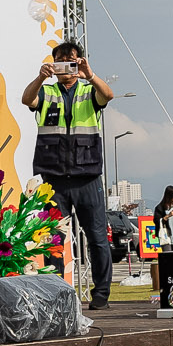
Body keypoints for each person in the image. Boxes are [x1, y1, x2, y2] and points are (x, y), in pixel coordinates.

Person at [22, 40, 115, 309]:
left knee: (97, 237)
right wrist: (40, 77)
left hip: (87, 176)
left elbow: (107, 96)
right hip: (52, 180)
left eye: (71, 60)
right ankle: (56, 294)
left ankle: (101, 294)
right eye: (60, 60)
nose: (65, 66)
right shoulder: (47, 91)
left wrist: (91, 74)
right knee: (52, 239)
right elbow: (27, 100)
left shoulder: (89, 91)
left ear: (79, 63)